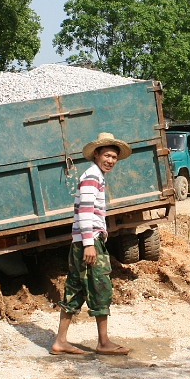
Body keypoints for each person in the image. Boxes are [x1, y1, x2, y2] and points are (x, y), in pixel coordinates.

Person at [51, 132, 132, 357]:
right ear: (96, 154)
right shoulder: (92, 177)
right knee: (100, 287)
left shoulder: (94, 175)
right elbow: (85, 212)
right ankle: (103, 342)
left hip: (83, 241)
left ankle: (60, 341)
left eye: (114, 157)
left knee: (75, 289)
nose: (111, 161)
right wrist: (89, 243)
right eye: (107, 155)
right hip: (89, 241)